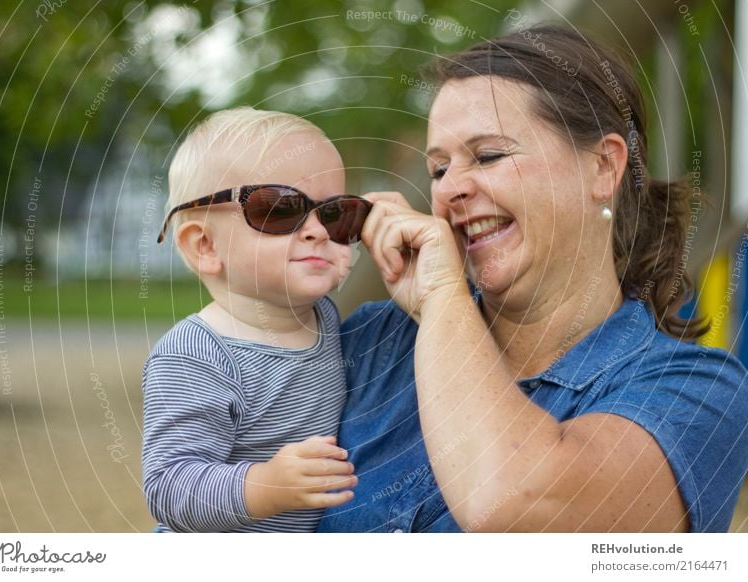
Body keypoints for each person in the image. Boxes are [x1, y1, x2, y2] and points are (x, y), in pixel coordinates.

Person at [318, 25, 748, 533]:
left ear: (603, 167)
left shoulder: (697, 392)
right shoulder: (371, 341)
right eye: (437, 170)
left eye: (489, 155)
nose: (450, 188)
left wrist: (441, 294)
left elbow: (514, 506)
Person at [142, 107, 371, 532]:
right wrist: (267, 484)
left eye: (337, 213)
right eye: (280, 209)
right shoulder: (195, 355)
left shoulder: (321, 315)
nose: (317, 231)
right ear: (206, 246)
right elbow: (168, 485)